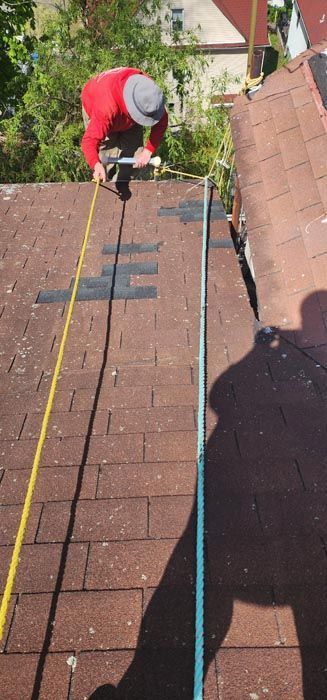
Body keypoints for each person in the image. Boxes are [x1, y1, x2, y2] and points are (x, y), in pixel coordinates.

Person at [81, 66, 168, 186]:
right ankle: (106, 186)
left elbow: (162, 122)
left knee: (136, 158)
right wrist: (96, 164)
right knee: (105, 160)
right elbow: (89, 141)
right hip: (99, 107)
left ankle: (124, 184)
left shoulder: (149, 95)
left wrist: (148, 151)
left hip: (124, 116)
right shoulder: (105, 109)